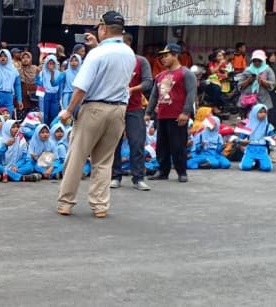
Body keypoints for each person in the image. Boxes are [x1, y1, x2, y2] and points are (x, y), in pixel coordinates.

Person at [56, 11, 135, 218]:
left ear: (103, 29)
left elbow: (81, 87)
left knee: (77, 156)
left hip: (94, 108)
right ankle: (100, 205)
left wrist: (69, 110)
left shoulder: (97, 54)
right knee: (104, 160)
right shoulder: (129, 53)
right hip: (118, 109)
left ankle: (66, 202)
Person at [145, 44, 197, 183]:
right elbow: (154, 96)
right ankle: (163, 171)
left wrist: (186, 112)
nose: (163, 59)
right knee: (161, 146)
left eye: (166, 56)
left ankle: (181, 171)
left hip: (177, 115)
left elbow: (191, 94)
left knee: (178, 145)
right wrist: (148, 112)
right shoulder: (160, 75)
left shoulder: (185, 73)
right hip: (162, 114)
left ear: (175, 55)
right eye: (162, 56)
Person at [110, 33, 153, 191]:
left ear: (128, 43)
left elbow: (148, 82)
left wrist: (132, 89)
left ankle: (138, 178)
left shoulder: (140, 61)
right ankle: (115, 176)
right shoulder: (112, 61)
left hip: (134, 108)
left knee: (137, 142)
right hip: (114, 107)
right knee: (113, 143)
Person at [236, 104, 275, 171]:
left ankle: (259, 163)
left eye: (265, 112)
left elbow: (272, 137)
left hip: (262, 149)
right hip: (250, 149)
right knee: (246, 167)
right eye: (260, 112)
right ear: (254, 113)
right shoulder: (248, 126)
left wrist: (273, 140)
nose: (263, 114)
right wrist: (242, 141)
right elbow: (239, 138)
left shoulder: (268, 126)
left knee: (267, 168)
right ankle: (251, 161)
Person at [238, 50, 275, 119]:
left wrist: (262, 81)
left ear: (263, 60)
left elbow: (272, 85)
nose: (257, 62)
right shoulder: (247, 70)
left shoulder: (268, 70)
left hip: (263, 100)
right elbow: (240, 86)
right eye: (255, 60)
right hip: (248, 101)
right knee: (248, 120)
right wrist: (249, 81)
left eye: (259, 60)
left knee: (262, 119)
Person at [0, 49, 23, 116]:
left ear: (9, 57)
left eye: (5, 56)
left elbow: (17, 85)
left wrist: (19, 100)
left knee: (7, 117)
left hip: (8, 97)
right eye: (1, 56)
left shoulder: (14, 71)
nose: (3, 58)